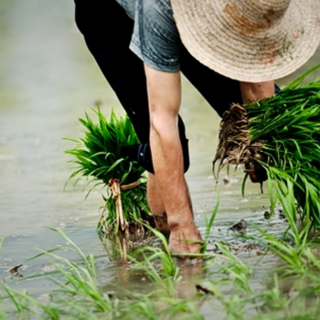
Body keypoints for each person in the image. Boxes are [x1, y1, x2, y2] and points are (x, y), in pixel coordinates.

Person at [74, 0, 320, 257]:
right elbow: (162, 120)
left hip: (203, 12)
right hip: (108, 11)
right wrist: (184, 227)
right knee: (163, 134)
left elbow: (254, 73)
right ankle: (166, 238)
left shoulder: (258, 5)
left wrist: (258, 139)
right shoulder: (158, 8)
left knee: (253, 112)